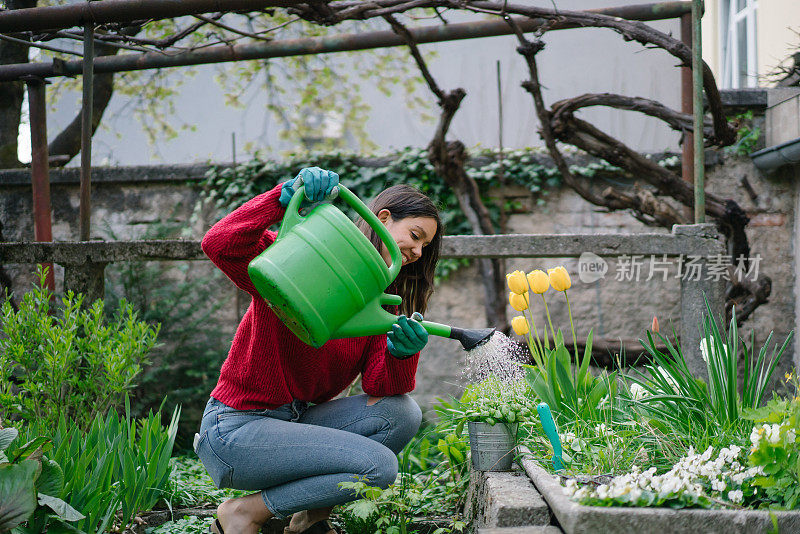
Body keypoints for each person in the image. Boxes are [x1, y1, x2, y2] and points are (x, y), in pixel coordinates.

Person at [196, 167, 443, 534]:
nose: (418, 252)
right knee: (379, 467)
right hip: (236, 429)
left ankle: (309, 522)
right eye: (415, 236)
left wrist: (402, 354)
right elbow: (219, 244)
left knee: (402, 413)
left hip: (294, 424)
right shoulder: (302, 260)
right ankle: (245, 513)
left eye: (425, 247)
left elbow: (381, 386)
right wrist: (281, 197)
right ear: (383, 219)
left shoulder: (379, 305)